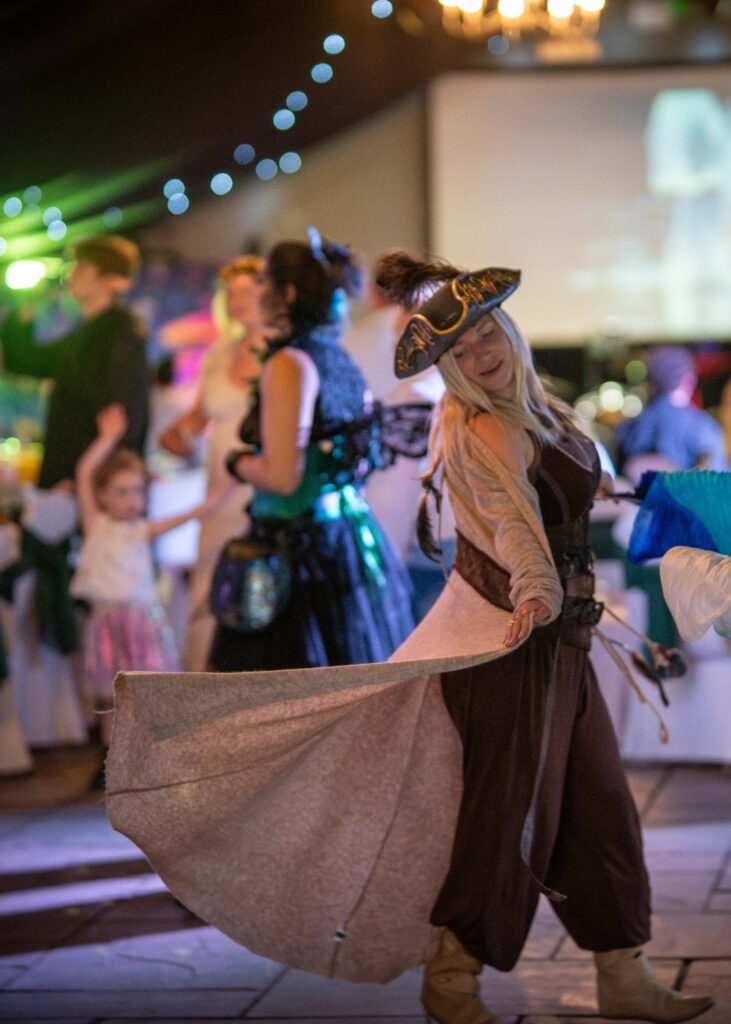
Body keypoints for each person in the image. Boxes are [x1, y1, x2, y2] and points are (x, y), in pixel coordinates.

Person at [107, 259, 713, 1024]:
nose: (481, 351)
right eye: (461, 350)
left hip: (561, 645)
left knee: (597, 806)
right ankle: (452, 979)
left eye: (487, 333)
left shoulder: (542, 411)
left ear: (509, 332)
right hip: (509, 645)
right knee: (509, 816)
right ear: (448, 367)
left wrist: (640, 497)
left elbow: (566, 495)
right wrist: (537, 591)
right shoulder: (479, 426)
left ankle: (622, 974)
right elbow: (512, 527)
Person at [207, 231, 414, 670]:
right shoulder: (336, 357)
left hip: (299, 554)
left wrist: (237, 461)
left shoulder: (289, 363)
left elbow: (282, 476)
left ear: (290, 293)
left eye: (264, 283)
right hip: (345, 539)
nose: (257, 293)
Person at [72, 404, 228, 745]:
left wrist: (222, 490)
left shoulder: (144, 529)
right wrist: (107, 438)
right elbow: (85, 471)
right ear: (102, 495)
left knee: (144, 690)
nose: (132, 499)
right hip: (106, 623)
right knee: (109, 696)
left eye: (138, 490)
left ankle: (146, 751)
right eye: (121, 491)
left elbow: (196, 512)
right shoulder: (96, 525)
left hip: (141, 621)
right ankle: (110, 754)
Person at [158, 255, 268, 670]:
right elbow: (197, 418)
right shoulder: (220, 352)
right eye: (232, 292)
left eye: (248, 290)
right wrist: (173, 436)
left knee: (255, 589)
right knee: (209, 588)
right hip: (217, 491)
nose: (239, 300)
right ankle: (205, 685)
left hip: (261, 487)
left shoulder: (285, 349)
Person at [0, 234, 149, 489]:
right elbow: (27, 362)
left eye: (82, 266)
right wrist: (23, 314)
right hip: (73, 472)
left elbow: (122, 416)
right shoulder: (84, 332)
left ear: (108, 278)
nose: (72, 274)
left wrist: (86, 478)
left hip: (92, 480)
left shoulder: (120, 332)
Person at [615, 345, 727, 474]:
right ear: (687, 378)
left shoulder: (631, 425)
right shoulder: (701, 425)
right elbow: (715, 475)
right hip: (683, 492)